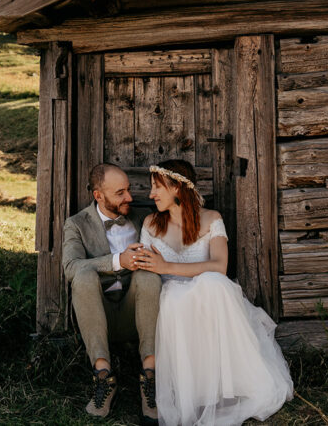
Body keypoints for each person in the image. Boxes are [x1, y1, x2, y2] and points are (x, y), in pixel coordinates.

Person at [133, 159, 293, 425]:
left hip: (208, 295)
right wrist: (157, 267)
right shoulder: (151, 223)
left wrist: (167, 265)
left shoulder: (212, 219)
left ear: (176, 188)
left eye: (157, 187)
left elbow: (219, 266)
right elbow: (147, 267)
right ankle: (192, 390)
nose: (151, 194)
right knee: (174, 297)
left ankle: (225, 385)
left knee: (213, 283)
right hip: (169, 294)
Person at [62, 163, 162, 422]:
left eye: (128, 189)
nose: (129, 197)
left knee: (148, 274)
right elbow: (70, 267)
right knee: (82, 276)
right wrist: (118, 261)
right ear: (99, 195)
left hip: (137, 313)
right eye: (120, 193)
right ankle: (103, 377)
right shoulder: (76, 224)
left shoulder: (143, 217)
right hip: (98, 316)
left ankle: (150, 378)